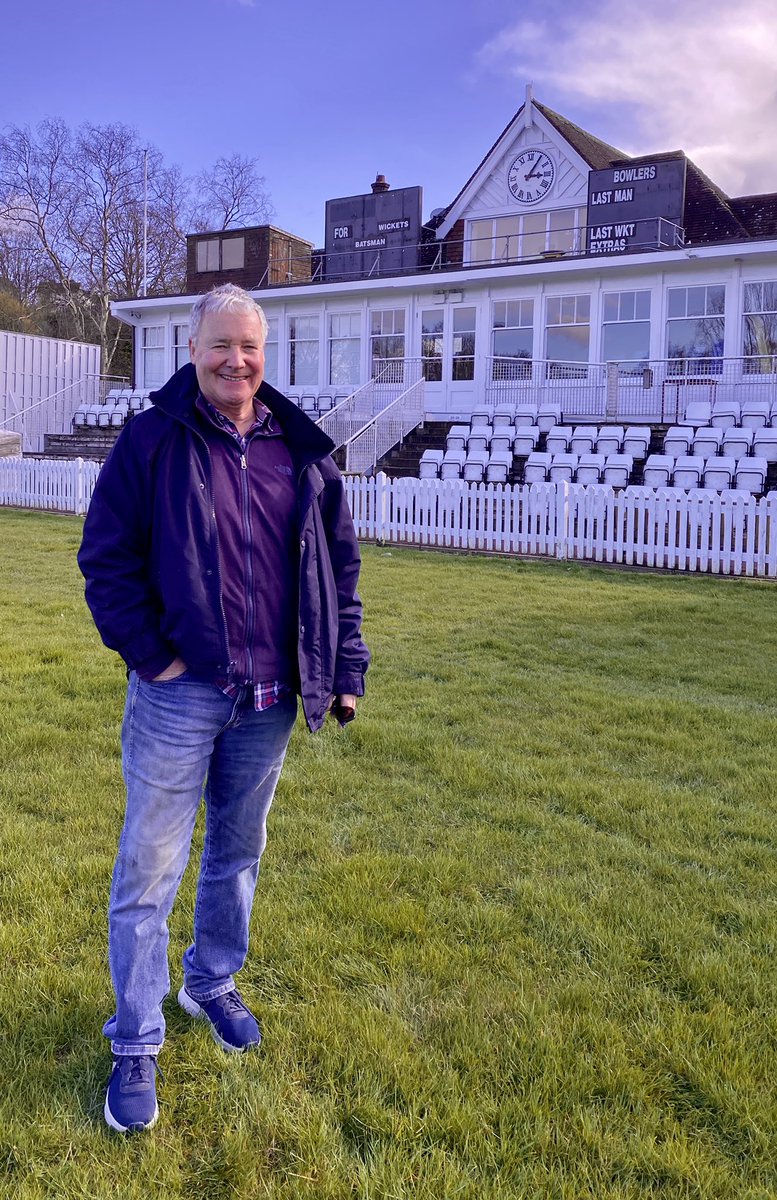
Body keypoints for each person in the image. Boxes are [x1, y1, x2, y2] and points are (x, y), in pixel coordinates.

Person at [78, 283, 369, 1134]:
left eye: (248, 347)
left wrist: (343, 665)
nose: (234, 360)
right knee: (148, 871)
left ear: (263, 354)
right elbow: (107, 561)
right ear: (193, 349)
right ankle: (135, 1041)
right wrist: (155, 658)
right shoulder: (151, 441)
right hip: (180, 694)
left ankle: (209, 982)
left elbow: (337, 573)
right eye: (219, 346)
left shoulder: (302, 449)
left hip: (270, 699)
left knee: (237, 856)